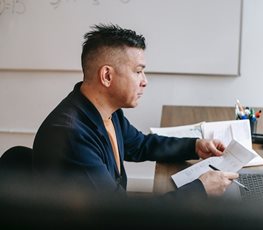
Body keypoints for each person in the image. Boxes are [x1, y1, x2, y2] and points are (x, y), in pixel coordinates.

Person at [32, 23, 238, 198]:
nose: (144, 81)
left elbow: (140, 145)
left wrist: (195, 147)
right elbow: (118, 214)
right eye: (138, 71)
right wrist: (200, 189)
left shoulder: (108, 112)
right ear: (107, 76)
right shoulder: (71, 135)